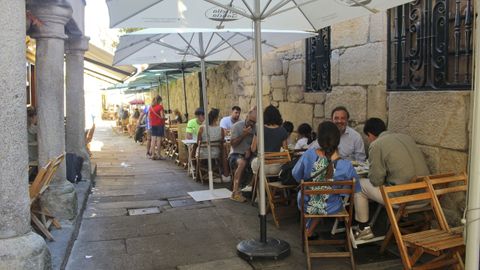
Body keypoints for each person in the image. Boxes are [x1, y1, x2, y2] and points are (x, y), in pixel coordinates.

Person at [353, 117, 430, 240]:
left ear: (370, 134)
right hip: (426, 196)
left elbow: (376, 180)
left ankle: (363, 229)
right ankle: (376, 225)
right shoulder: (406, 138)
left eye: (368, 137)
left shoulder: (376, 144)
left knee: (359, 185)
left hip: (403, 199)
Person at [292, 121, 358, 239]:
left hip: (305, 202)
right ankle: (309, 231)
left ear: (319, 139)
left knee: (317, 197)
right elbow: (352, 190)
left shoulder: (308, 155)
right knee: (323, 198)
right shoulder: (346, 166)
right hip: (331, 207)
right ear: (338, 140)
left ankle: (308, 230)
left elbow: (296, 175)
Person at [250, 105, 289, 176]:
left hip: (261, 165)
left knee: (253, 164)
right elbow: (285, 151)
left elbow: (253, 148)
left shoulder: (259, 128)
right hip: (276, 167)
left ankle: (256, 185)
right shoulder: (283, 130)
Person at [229, 107, 257, 202]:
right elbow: (233, 144)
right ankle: (235, 192)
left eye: (254, 122)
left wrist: (249, 149)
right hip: (236, 154)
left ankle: (251, 188)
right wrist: (244, 134)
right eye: (251, 120)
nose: (252, 123)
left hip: (250, 154)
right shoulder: (237, 126)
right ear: (247, 116)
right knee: (242, 163)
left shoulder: (256, 128)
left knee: (259, 162)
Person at [196, 108, 231, 182]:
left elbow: (198, 142)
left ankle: (198, 172)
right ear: (216, 118)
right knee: (224, 151)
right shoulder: (220, 129)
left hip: (203, 153)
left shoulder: (202, 128)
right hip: (216, 153)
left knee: (194, 150)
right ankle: (224, 173)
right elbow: (222, 142)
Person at [148, 96, 166, 160]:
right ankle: (158, 155)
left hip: (153, 125)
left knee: (153, 140)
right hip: (159, 125)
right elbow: (162, 116)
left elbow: (149, 117)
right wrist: (164, 118)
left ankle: (153, 155)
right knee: (158, 140)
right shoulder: (160, 107)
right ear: (159, 100)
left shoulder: (151, 107)